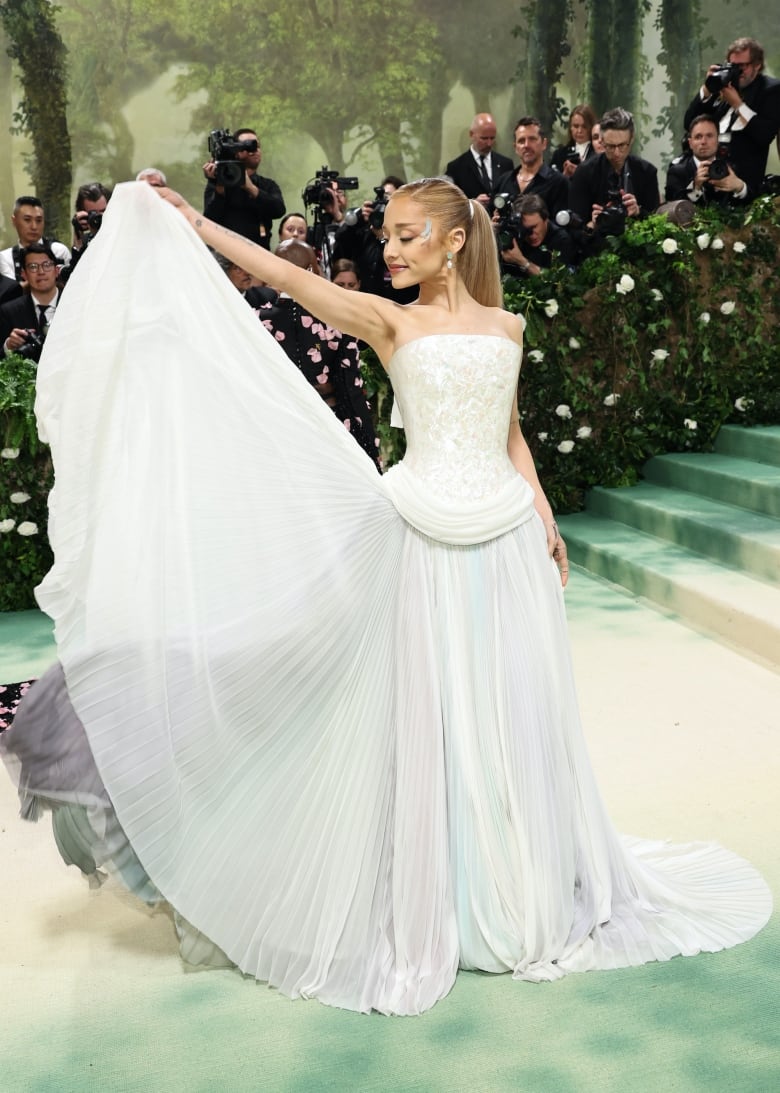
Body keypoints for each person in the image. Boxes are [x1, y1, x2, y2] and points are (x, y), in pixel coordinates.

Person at [0, 178, 770, 1017]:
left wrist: (544, 511)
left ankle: (523, 879)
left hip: (507, 543)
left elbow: (509, 430)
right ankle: (439, 887)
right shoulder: (391, 320)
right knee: (427, 718)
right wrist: (198, 223)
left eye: (407, 236)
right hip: (419, 540)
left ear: (450, 242)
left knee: (513, 715)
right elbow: (296, 280)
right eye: (388, 236)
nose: (389, 250)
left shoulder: (508, 325)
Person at [256, 239, 380, 467]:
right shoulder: (338, 319)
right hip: (328, 431)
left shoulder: (256, 321)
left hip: (274, 433)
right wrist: (369, 450)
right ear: (311, 270)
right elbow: (350, 390)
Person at [683, 37, 780, 199]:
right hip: (708, 185)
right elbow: (690, 124)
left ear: (757, 65)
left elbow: (764, 135)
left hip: (743, 187)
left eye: (742, 66)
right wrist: (707, 89)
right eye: (733, 66)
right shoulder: (725, 85)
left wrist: (737, 104)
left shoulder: (770, 90)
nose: (737, 71)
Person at [569, 108, 660, 230]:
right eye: (611, 146)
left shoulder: (647, 172)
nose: (617, 153)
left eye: (622, 145)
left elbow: (656, 223)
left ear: (632, 139)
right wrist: (592, 225)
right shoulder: (585, 172)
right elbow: (574, 227)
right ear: (601, 141)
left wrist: (638, 211)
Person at [203, 126, 285, 248]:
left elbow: (278, 210)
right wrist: (219, 187)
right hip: (226, 255)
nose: (254, 150)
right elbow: (209, 221)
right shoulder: (218, 183)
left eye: (257, 146)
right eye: (247, 146)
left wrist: (251, 188)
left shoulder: (268, 185)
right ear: (235, 151)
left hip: (259, 256)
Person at [494, 117, 569, 221]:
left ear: (544, 143)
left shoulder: (559, 183)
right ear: (515, 147)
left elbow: (563, 230)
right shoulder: (503, 182)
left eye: (532, 139)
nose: (526, 145)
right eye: (521, 141)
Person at [665, 115, 750, 205]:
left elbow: (751, 204)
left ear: (718, 140)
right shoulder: (677, 172)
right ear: (690, 143)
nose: (704, 142)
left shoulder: (731, 168)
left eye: (709, 136)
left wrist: (740, 188)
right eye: (698, 137)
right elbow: (671, 208)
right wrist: (695, 188)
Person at [0, 243, 61, 361]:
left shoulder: (75, 306)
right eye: (33, 267)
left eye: (47, 265)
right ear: (24, 274)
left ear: (57, 270)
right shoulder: (8, 311)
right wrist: (8, 345)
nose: (41, 271)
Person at [443, 112, 514, 205]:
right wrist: (472, 204)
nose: (489, 143)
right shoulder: (456, 168)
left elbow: (512, 196)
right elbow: (451, 204)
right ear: (471, 134)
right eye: (484, 138)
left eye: (492, 138)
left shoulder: (506, 164)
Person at [499, 194, 577, 275]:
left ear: (546, 219)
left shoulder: (562, 240)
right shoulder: (514, 234)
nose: (530, 234)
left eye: (534, 227)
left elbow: (557, 281)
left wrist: (522, 262)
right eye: (525, 229)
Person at [0, 196, 70, 282]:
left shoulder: (59, 251)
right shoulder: (5, 258)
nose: (34, 226)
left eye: (39, 220)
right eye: (27, 220)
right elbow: (9, 292)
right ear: (14, 221)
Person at [551, 104, 598, 178]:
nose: (579, 131)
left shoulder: (597, 154)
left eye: (584, 127)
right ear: (570, 128)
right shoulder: (559, 154)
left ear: (591, 127)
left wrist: (580, 172)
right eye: (576, 126)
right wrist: (564, 176)